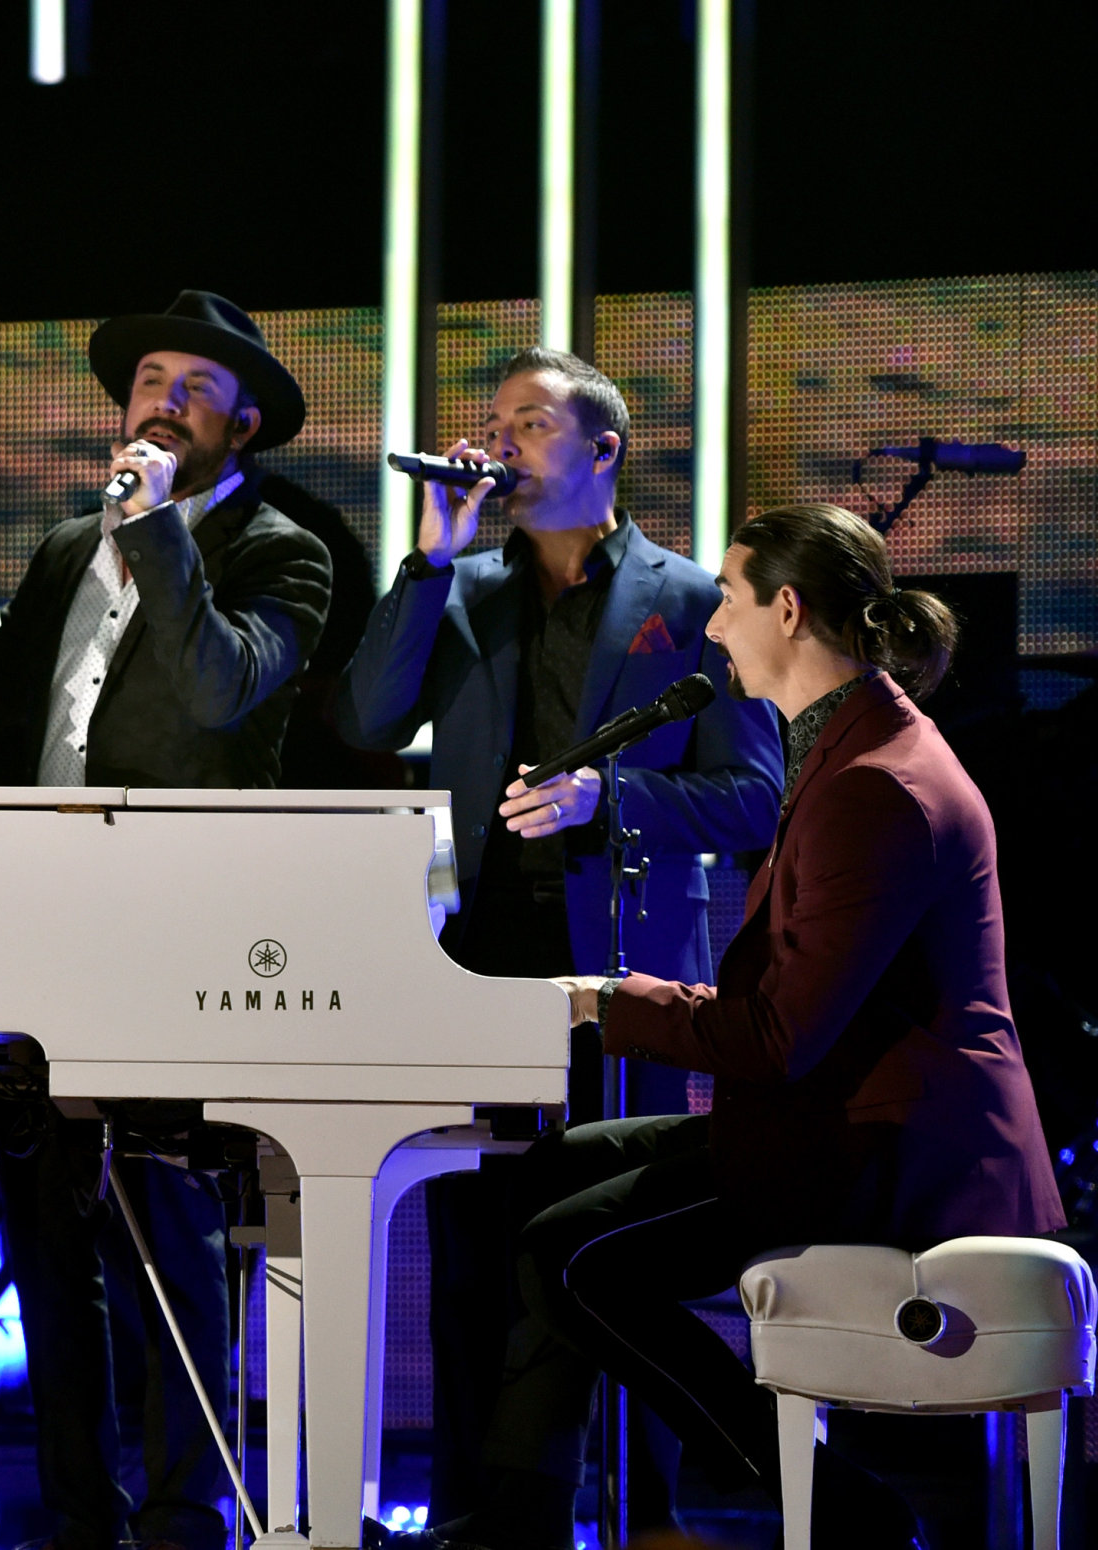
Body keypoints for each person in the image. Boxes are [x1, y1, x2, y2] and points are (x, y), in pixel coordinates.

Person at [444, 503, 1066, 1550]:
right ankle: (526, 1503)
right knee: (553, 1171)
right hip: (843, 1118)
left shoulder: (875, 784)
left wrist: (603, 999)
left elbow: (779, 1034)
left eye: (727, 599)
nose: (713, 625)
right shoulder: (848, 746)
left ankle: (834, 1507)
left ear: (785, 608)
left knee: (572, 1258)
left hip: (890, 1150)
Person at [0, 290, 332, 1550]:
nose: (159, 400)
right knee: (47, 1240)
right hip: (42, 930)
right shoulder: (62, 546)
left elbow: (218, 690)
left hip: (185, 933)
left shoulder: (280, 547)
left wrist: (154, 534)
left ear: (242, 422)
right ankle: (76, 1518)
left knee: (175, 1241)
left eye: (192, 386)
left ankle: (187, 1516)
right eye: (149, 377)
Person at [334, 347, 782, 1532]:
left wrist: (612, 798)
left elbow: (751, 798)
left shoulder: (689, 602)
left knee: (592, 1251)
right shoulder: (462, 586)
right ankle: (481, 1513)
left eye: (530, 423)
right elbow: (367, 715)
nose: (500, 443)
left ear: (603, 451)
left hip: (620, 968)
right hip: (472, 957)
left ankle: (637, 1510)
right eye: (494, 423)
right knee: (470, 1242)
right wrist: (428, 555)